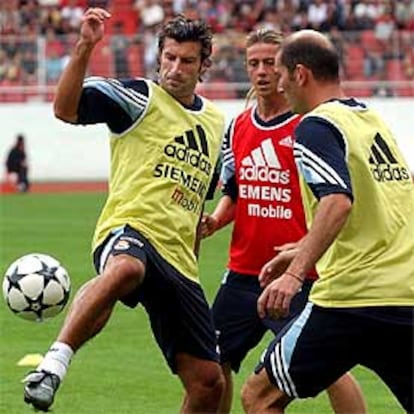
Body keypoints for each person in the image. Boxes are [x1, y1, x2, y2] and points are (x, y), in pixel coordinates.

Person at [23, 8, 226, 413]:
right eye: (169, 58)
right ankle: (53, 365)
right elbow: (65, 109)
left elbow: (195, 206)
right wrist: (84, 47)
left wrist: (193, 269)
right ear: (158, 57)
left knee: (209, 384)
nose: (175, 68)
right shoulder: (138, 98)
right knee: (128, 269)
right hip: (129, 229)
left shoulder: (216, 124)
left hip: (180, 262)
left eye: (187, 61)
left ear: (204, 65)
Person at [240, 29, 414, 413]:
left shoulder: (315, 127)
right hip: (405, 296)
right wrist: (302, 249)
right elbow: (385, 208)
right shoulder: (371, 122)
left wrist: (295, 274)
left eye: (282, 73)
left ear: (300, 74)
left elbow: (337, 201)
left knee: (260, 395)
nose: (280, 85)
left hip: (350, 299)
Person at [201, 28, 366, 414]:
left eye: (269, 63)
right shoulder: (238, 127)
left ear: (290, 68)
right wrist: (215, 220)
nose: (261, 72)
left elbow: (339, 198)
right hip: (243, 272)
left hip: (300, 274)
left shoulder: (311, 125)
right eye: (253, 63)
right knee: (212, 361)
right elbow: (235, 192)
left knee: (330, 369)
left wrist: (302, 259)